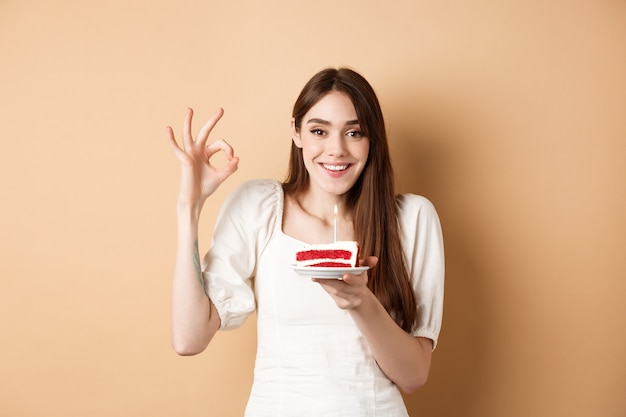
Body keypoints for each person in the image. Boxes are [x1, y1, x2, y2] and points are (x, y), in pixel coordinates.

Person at [166, 67, 445, 417]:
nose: (336, 150)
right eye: (319, 131)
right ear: (296, 133)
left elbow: (414, 375)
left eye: (354, 132)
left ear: (373, 140)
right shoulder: (258, 206)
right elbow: (188, 339)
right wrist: (189, 206)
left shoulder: (411, 219)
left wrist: (361, 301)